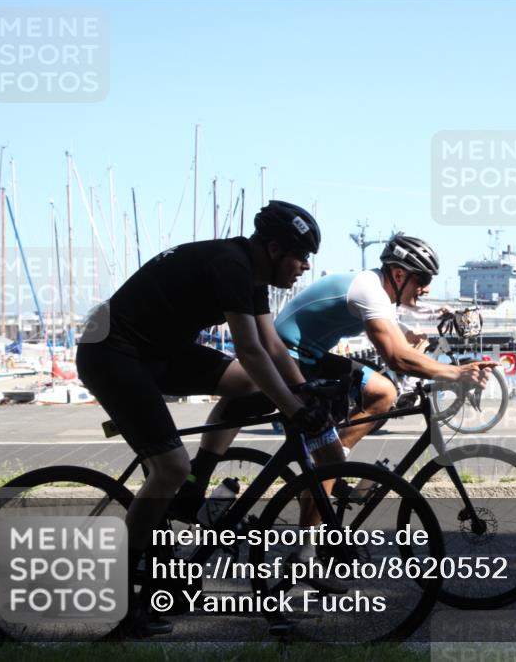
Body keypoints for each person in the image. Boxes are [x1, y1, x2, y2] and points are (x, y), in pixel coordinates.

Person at [77, 201, 329, 636]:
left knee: (248, 388)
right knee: (168, 467)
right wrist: (294, 409)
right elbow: (249, 351)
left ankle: (195, 482)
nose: (304, 267)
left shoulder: (252, 273)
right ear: (273, 248)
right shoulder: (231, 265)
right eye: (300, 256)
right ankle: (125, 603)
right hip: (112, 353)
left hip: (157, 351)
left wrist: (303, 389)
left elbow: (272, 346)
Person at [203, 233, 496, 565]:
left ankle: (334, 456)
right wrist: (456, 375)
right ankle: (306, 548)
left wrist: (436, 362)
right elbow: (398, 358)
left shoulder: (378, 294)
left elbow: (401, 353)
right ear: (399, 275)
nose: (426, 288)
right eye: (423, 279)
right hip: (288, 357)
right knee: (326, 454)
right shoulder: (369, 290)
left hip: (310, 355)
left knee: (383, 392)